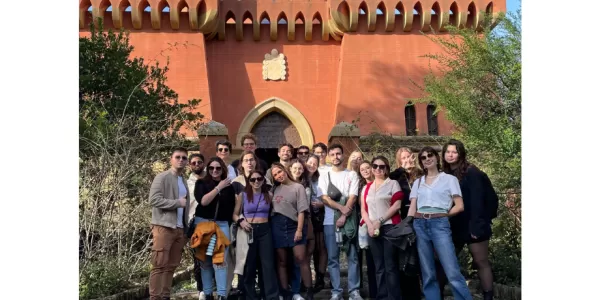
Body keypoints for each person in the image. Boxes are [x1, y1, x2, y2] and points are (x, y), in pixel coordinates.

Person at [407, 147, 472, 300]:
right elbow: (412, 207)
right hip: (419, 224)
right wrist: (408, 225)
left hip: (439, 224)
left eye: (430, 155)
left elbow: (459, 205)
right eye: (423, 157)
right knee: (427, 272)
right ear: (421, 163)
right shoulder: (418, 182)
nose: (427, 158)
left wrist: (442, 215)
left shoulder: (449, 179)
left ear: (437, 158)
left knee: (452, 270)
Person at [439, 139, 496, 300]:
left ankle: (488, 297)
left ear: (461, 154)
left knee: (480, 261)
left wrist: (478, 226)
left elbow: (481, 201)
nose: (450, 155)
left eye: (454, 152)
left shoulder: (473, 172)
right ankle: (437, 295)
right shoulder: (444, 174)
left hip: (474, 225)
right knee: (445, 262)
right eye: (448, 152)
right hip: (453, 226)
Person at [194, 157, 244, 300]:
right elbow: (203, 202)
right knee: (205, 261)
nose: (215, 171)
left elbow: (229, 211)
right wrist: (218, 187)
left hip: (221, 225)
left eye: (218, 168)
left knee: (220, 261)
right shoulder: (201, 183)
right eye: (211, 168)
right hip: (203, 224)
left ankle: (222, 295)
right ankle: (208, 293)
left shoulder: (230, 187)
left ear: (223, 169)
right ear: (208, 170)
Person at [318, 144, 363, 300]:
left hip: (349, 221)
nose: (336, 157)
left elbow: (353, 196)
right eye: (333, 154)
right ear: (329, 157)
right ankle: (336, 291)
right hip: (330, 222)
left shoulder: (351, 175)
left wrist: (344, 214)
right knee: (333, 258)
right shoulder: (324, 176)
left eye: (338, 153)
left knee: (353, 256)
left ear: (343, 155)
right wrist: (340, 208)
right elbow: (324, 198)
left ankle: (354, 291)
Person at [148, 147, 190, 300]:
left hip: (179, 229)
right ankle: (155, 297)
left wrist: (185, 227)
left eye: (184, 158)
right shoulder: (162, 177)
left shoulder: (183, 180)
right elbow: (153, 200)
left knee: (171, 265)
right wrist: (176, 203)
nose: (181, 160)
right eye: (177, 157)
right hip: (164, 227)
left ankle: (165, 296)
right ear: (171, 159)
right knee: (159, 264)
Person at [360, 156, 404, 300]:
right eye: (375, 166)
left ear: (386, 169)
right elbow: (363, 210)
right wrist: (370, 225)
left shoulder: (393, 184)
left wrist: (380, 221)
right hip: (372, 229)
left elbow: (396, 205)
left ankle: (394, 297)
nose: (378, 169)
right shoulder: (366, 188)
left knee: (390, 265)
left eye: (382, 166)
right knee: (378, 267)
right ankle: (382, 296)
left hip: (390, 227)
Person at [232, 170, 279, 300]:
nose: (256, 181)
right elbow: (235, 214)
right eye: (253, 179)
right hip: (249, 230)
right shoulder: (243, 195)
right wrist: (241, 221)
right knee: (249, 264)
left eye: (259, 179)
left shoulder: (268, 195)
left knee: (268, 264)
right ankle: (250, 296)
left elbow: (275, 211)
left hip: (265, 229)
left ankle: (271, 296)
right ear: (249, 182)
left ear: (263, 180)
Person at [270, 163, 315, 300]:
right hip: (277, 225)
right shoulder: (274, 190)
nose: (279, 176)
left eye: (280, 172)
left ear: (285, 170)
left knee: (301, 258)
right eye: (275, 175)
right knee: (282, 261)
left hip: (294, 225)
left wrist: (299, 230)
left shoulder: (298, 187)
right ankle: (285, 292)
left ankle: (308, 291)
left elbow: (302, 210)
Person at [389, 147, 424, 300]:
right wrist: (402, 168)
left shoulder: (421, 175)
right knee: (406, 259)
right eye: (403, 158)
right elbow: (388, 179)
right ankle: (409, 294)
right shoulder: (397, 177)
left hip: (422, 220)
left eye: (409, 156)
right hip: (404, 221)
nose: (407, 160)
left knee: (422, 258)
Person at [288, 159, 315, 297]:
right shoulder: (283, 185)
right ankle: (294, 289)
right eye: (295, 168)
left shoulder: (306, 185)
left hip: (305, 221)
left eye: (300, 168)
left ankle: (308, 290)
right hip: (289, 223)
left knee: (303, 257)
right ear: (290, 169)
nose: (297, 171)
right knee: (292, 258)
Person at [304, 154, 327, 292]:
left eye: (315, 163)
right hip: (306, 217)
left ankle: (320, 278)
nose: (312, 165)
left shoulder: (320, 179)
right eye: (310, 162)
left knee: (321, 247)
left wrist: (322, 204)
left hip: (320, 216)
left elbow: (328, 195)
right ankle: (305, 279)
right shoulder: (301, 177)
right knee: (308, 249)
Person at [357, 161, 377, 299]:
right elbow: (363, 209)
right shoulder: (362, 188)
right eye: (362, 169)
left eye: (367, 168)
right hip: (368, 225)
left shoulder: (382, 183)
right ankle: (374, 293)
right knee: (370, 262)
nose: (365, 170)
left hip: (382, 223)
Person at [187, 153, 206, 299]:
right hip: (194, 224)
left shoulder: (210, 180)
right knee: (198, 258)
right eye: (193, 163)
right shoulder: (187, 184)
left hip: (211, 222)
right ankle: (201, 289)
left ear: (204, 163)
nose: (197, 164)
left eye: (199, 162)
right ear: (190, 165)